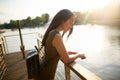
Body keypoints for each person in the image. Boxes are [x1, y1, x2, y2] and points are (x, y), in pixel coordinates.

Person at [39, 9, 86, 80]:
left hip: (43, 72)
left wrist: (75, 53)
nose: (71, 26)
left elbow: (60, 53)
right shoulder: (56, 36)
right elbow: (66, 59)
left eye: (72, 24)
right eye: (70, 22)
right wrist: (78, 55)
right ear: (62, 21)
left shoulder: (52, 33)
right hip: (46, 76)